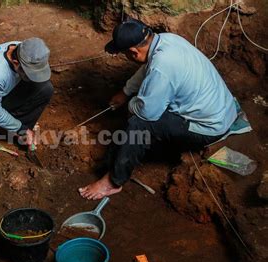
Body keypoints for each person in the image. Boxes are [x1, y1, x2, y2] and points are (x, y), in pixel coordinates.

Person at [79, 18, 237, 200]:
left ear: (133, 52)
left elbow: (147, 113)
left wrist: (131, 104)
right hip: (221, 108)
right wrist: (126, 91)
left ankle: (114, 181)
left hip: (209, 127)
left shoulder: (163, 67)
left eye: (124, 54)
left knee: (139, 124)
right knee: (143, 109)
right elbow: (148, 67)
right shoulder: (165, 40)